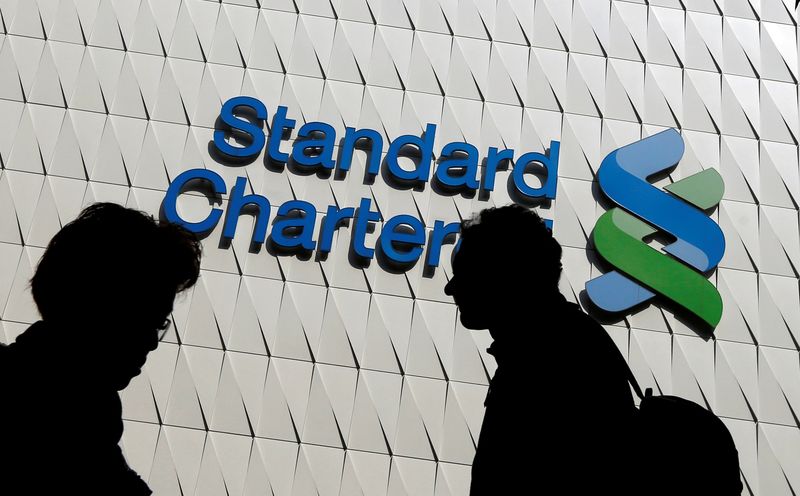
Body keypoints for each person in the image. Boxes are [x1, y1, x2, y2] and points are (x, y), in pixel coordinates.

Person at [0, 202, 202, 495]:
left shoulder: (91, 426)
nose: (152, 341)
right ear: (94, 304)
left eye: (159, 323)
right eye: (143, 318)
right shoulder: (78, 435)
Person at [444, 205, 637, 494]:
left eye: (466, 273)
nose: (450, 288)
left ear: (503, 276)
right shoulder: (563, 344)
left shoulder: (552, 361)